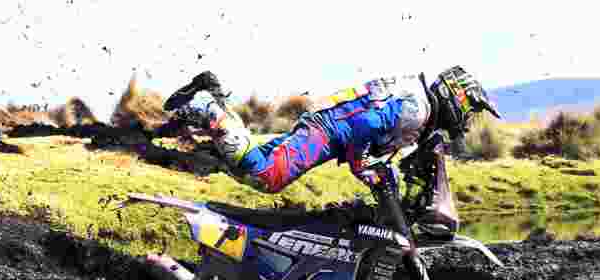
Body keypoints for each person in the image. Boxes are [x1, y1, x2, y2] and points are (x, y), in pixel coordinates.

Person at [162, 66, 500, 235]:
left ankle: (213, 104)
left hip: (331, 126)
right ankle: (207, 106)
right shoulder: (417, 108)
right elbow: (364, 127)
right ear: (458, 96)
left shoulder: (420, 102)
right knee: (265, 176)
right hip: (327, 131)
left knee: (250, 164)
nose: (469, 119)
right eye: (470, 109)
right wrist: (366, 167)